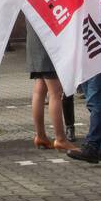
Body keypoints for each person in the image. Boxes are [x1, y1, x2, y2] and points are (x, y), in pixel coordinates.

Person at [24, 17, 76, 149]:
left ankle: (40, 136)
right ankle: (60, 138)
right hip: (48, 44)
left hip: (34, 43)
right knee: (55, 93)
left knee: (39, 90)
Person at [66, 65, 101, 163]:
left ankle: (92, 145)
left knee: (95, 102)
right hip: (86, 59)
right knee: (95, 102)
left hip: (99, 56)